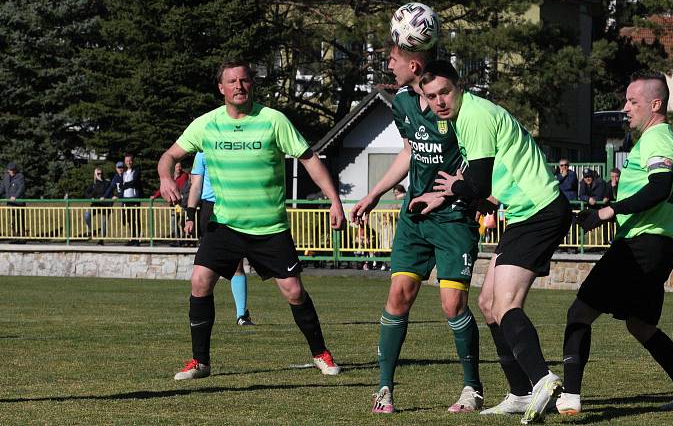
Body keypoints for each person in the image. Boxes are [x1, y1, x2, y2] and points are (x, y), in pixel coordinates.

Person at [158, 60, 344, 381]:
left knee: (294, 292)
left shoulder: (273, 120)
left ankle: (320, 353)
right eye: (232, 82)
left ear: (251, 85)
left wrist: (334, 200)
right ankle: (200, 362)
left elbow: (308, 157)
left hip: (269, 227)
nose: (239, 86)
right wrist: (164, 178)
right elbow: (169, 156)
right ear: (221, 88)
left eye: (244, 81)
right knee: (200, 282)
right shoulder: (205, 124)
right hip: (225, 225)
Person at [411, 60, 572, 422]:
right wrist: (444, 196)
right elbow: (483, 186)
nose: (439, 101)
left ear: (459, 86)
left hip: (539, 211)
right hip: (523, 214)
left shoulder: (474, 116)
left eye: (445, 92)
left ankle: (542, 378)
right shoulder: (465, 119)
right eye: (431, 95)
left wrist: (455, 187)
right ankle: (519, 392)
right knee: (487, 303)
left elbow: (478, 187)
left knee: (505, 302)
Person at [560, 71, 673, 416]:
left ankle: (570, 396)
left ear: (655, 104)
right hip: (656, 246)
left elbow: (658, 186)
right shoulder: (655, 138)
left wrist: (610, 210)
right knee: (640, 325)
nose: (625, 108)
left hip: (642, 247)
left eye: (632, 101)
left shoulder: (656, 139)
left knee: (579, 312)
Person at [350, 44, 483, 415]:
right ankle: (384, 390)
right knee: (398, 298)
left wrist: (461, 188)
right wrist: (374, 193)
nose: (388, 66)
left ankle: (472, 388)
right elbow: (410, 151)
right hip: (414, 215)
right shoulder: (403, 104)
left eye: (392, 60)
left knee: (452, 303)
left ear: (413, 63)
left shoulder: (459, 109)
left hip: (453, 218)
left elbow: (480, 158)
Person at [184, 151, 255, 326]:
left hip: (233, 207)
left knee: (237, 262)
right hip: (210, 209)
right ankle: (202, 312)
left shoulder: (232, 146)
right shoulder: (201, 153)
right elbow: (196, 186)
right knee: (207, 267)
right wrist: (190, 215)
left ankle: (241, 315)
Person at [152, 161, 190, 244]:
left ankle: (185, 239)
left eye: (180, 166)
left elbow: (186, 187)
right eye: (177, 167)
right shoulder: (170, 177)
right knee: (174, 222)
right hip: (174, 204)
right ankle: (177, 240)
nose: (179, 168)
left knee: (183, 222)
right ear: (173, 168)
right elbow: (164, 187)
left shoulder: (184, 175)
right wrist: (154, 196)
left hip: (182, 204)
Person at [119, 153, 143, 246]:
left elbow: (134, 182)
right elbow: (120, 184)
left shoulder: (136, 171)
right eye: (127, 161)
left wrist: (124, 185)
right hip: (126, 198)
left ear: (133, 161)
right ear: (125, 162)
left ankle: (137, 239)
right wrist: (123, 186)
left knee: (135, 219)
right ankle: (132, 238)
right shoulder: (124, 172)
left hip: (134, 198)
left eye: (130, 160)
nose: (129, 162)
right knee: (128, 219)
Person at [84, 168, 112, 245]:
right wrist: (90, 197)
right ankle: (92, 231)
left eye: (101, 173)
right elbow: (86, 193)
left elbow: (111, 193)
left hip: (105, 206)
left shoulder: (107, 183)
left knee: (104, 222)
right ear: (95, 175)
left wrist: (110, 202)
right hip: (95, 205)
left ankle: (101, 240)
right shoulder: (93, 184)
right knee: (87, 215)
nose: (100, 175)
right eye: (98, 174)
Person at [0, 162, 26, 242]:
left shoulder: (20, 176)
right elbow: (2, 188)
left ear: (15, 170)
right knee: (12, 221)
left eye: (13, 170)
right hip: (10, 204)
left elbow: (21, 188)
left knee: (20, 220)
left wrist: (15, 196)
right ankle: (14, 237)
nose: (11, 172)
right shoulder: (6, 177)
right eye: (10, 170)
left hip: (18, 203)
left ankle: (21, 238)